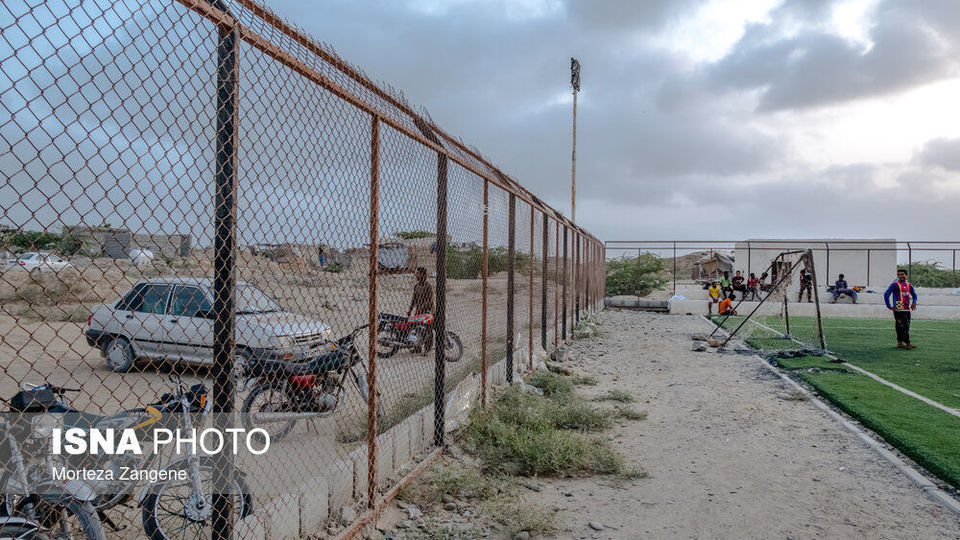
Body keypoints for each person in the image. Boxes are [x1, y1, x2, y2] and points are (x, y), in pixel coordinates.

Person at [884, 268, 918, 349]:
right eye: (898, 275)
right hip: (898, 309)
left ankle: (899, 343)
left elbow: (914, 295)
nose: (900, 276)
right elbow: (886, 294)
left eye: (902, 274)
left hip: (906, 309)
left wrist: (914, 302)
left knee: (899, 326)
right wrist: (888, 305)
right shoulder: (895, 284)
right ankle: (908, 343)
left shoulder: (909, 285)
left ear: (906, 275)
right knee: (904, 326)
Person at [407, 266, 435, 355]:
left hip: (428, 312)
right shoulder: (416, 286)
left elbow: (430, 300)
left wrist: (422, 307)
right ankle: (417, 347)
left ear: (423, 274)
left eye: (418, 274)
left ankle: (427, 349)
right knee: (417, 329)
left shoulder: (428, 286)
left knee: (428, 330)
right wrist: (410, 310)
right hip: (419, 312)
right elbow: (414, 299)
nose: (416, 275)